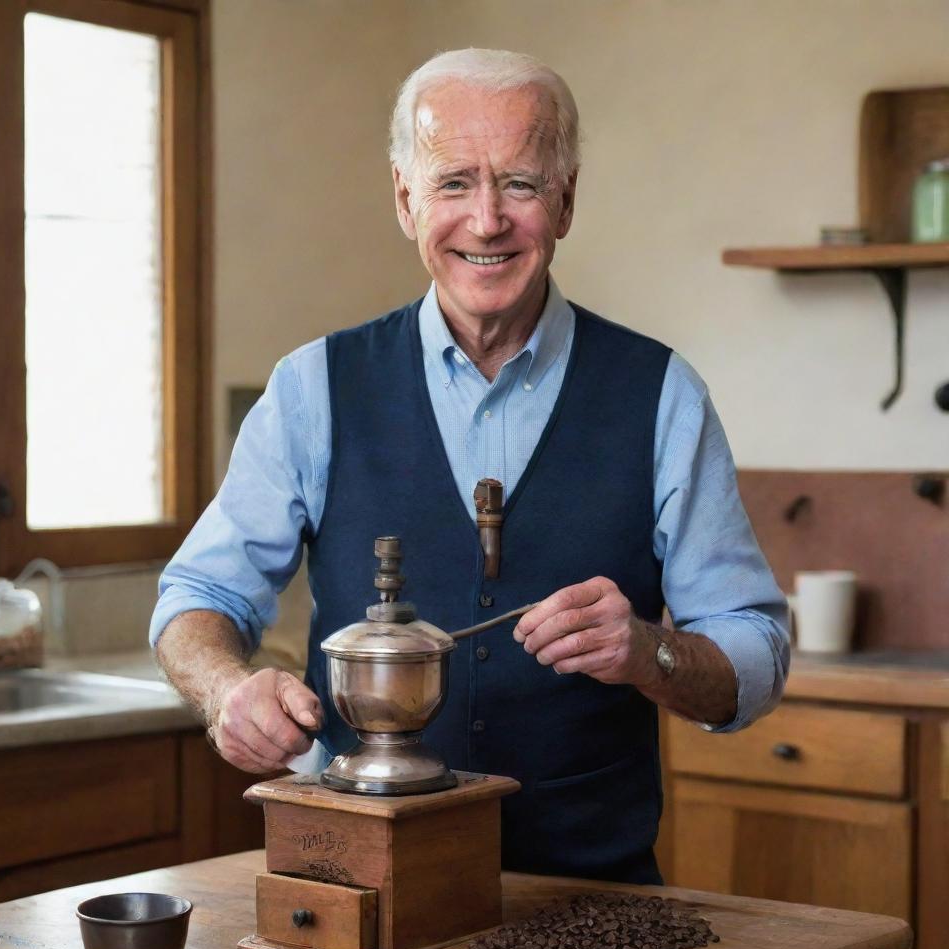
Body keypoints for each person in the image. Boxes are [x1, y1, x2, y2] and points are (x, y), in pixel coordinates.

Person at [151, 48, 789, 885]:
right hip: (355, 889)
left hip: (587, 902)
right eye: (453, 183)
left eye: (519, 184)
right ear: (405, 200)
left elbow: (755, 650)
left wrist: (647, 651)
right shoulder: (315, 387)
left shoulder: (662, 395)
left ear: (565, 202)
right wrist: (226, 691)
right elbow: (198, 596)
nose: (485, 221)